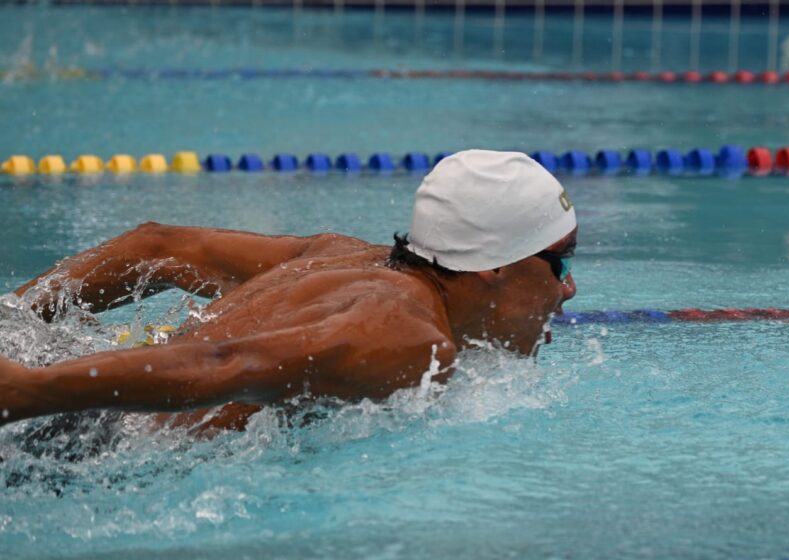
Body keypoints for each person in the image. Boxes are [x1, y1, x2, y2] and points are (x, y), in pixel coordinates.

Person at [0, 150, 577, 432]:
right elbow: (231, 361)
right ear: (493, 267)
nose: (568, 289)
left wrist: (13, 323)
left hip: (73, 392)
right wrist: (25, 391)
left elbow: (156, 245)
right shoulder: (410, 342)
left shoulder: (341, 258)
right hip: (76, 438)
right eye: (560, 262)